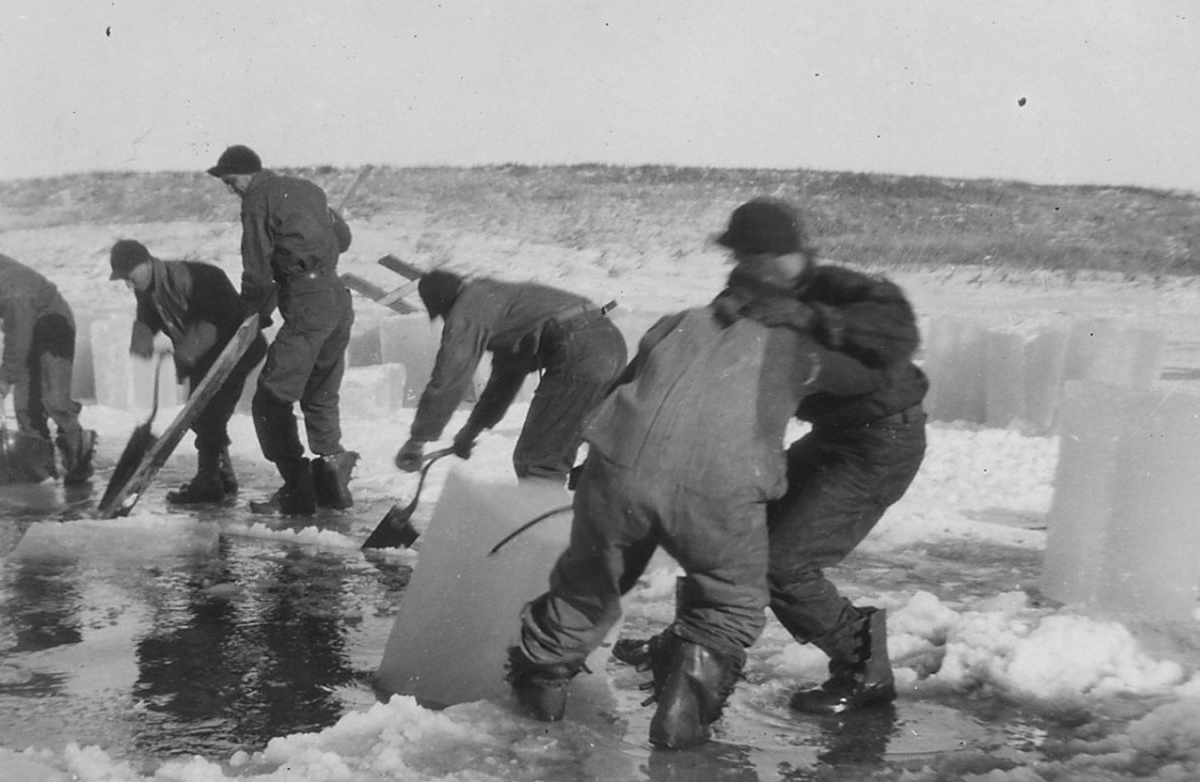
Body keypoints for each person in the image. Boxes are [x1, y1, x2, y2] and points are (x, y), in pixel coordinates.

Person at [506, 203, 832, 751]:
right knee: (728, 602)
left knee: (587, 586)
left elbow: (624, 391)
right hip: (718, 488)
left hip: (617, 470)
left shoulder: (679, 322)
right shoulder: (802, 343)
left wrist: (598, 469)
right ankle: (681, 719)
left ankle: (536, 707)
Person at [752, 201, 929, 717]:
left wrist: (812, 317)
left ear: (791, 253)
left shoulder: (839, 287)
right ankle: (692, 642)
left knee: (785, 566)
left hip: (880, 443)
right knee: (737, 528)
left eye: (764, 255)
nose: (754, 266)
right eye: (744, 256)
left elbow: (897, 333)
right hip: (832, 436)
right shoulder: (755, 297)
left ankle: (863, 666)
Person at [207, 144, 357, 517]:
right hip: (337, 296)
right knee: (320, 392)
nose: (232, 189)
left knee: (271, 399)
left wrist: (252, 310)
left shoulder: (257, 200)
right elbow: (343, 238)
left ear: (248, 173)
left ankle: (297, 489)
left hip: (306, 304)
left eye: (232, 181)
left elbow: (257, 268)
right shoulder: (308, 189)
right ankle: (332, 474)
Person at [393, 271, 627, 483]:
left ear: (443, 304)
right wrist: (471, 430)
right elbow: (506, 378)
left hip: (579, 350)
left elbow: (449, 378)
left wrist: (418, 439)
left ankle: (542, 516)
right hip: (608, 344)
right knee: (555, 452)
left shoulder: (467, 310)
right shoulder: (499, 301)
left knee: (537, 461)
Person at [108, 239, 266, 504]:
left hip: (236, 348)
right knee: (201, 418)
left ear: (146, 263)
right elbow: (146, 320)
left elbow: (210, 325)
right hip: (205, 355)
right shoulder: (147, 289)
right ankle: (221, 476)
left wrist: (181, 358)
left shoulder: (197, 278)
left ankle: (209, 482)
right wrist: (141, 346)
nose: (128, 284)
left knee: (208, 415)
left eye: (129, 276)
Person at [0, 235, 95, 486]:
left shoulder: (13, 291)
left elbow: (18, 337)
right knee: (25, 407)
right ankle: (41, 468)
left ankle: (78, 457)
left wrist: (5, 379)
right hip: (27, 327)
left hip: (54, 328)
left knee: (55, 402)